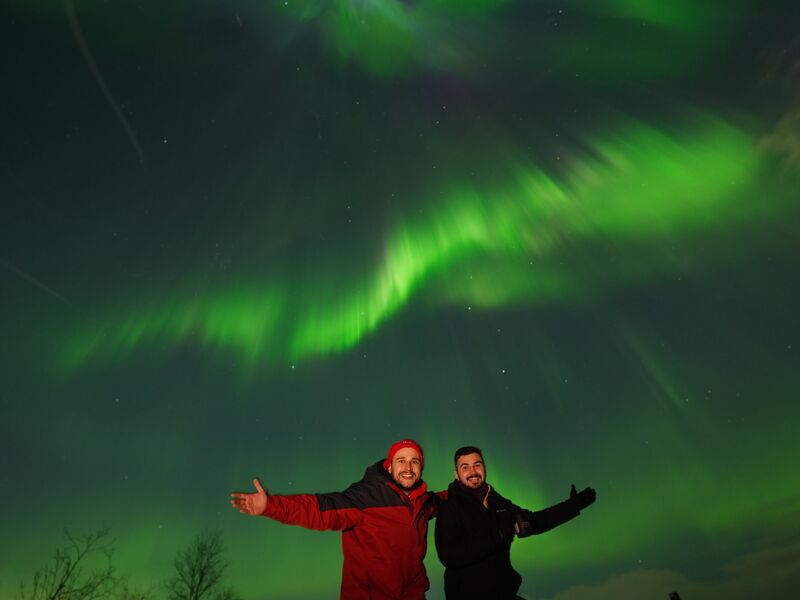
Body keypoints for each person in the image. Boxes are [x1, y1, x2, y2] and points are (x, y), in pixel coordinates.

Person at [231, 439, 442, 600]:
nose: (408, 468)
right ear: (389, 466)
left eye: (414, 462)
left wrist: (463, 487)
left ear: (421, 468)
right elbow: (319, 508)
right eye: (401, 461)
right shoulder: (365, 497)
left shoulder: (424, 503)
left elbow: (445, 500)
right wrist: (271, 506)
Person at [434, 446, 596, 600]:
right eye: (465, 467)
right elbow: (449, 556)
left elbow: (535, 522)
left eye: (477, 465)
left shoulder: (499, 504)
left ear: (484, 468)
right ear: (456, 474)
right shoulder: (449, 508)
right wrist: (500, 535)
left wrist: (574, 505)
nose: (473, 471)